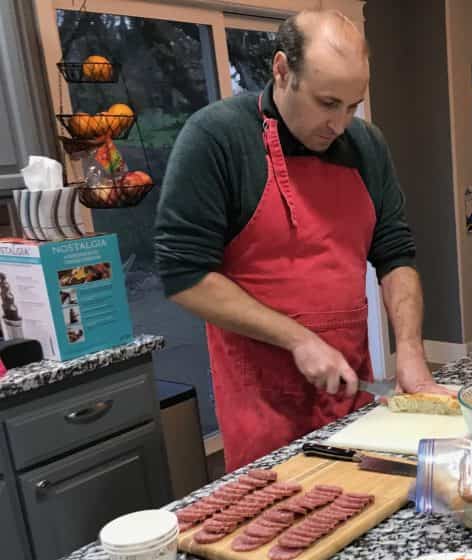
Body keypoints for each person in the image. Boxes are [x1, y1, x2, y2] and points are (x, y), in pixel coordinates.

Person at [153, 10, 447, 471]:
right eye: (327, 102)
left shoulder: (367, 146)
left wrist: (409, 349)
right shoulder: (218, 137)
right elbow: (184, 274)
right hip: (263, 404)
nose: (340, 124)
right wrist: (298, 340)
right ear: (282, 70)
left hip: (350, 391)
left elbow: (395, 254)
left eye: (352, 106)